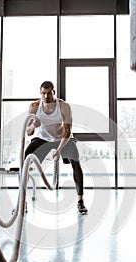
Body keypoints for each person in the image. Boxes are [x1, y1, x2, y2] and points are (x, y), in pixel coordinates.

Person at [25, 81, 88, 214]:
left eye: (49, 93)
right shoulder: (34, 107)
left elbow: (67, 131)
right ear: (40, 93)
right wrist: (33, 125)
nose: (46, 96)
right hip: (42, 139)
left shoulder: (63, 106)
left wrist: (59, 150)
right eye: (43, 93)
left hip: (63, 139)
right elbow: (29, 132)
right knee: (25, 160)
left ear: (53, 92)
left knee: (76, 163)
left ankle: (80, 201)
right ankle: (22, 202)